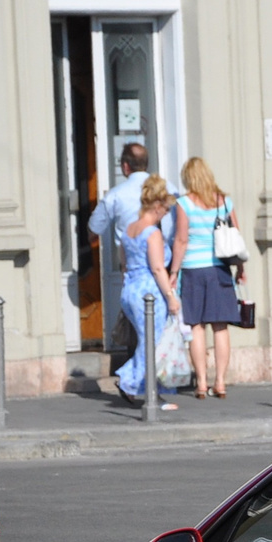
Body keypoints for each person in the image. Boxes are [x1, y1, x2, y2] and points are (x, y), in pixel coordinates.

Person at [87, 144, 174, 356]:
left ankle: (136, 373)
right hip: (163, 264)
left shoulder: (115, 195)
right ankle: (149, 375)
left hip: (132, 269)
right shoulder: (169, 189)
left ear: (125, 166)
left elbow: (93, 229)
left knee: (135, 324)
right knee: (160, 327)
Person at [170, 157, 243, 399]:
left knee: (196, 327)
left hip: (192, 269)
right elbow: (236, 236)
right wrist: (241, 268)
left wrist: (173, 272)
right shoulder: (223, 201)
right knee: (220, 327)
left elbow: (181, 240)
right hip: (219, 268)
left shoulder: (184, 203)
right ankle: (220, 381)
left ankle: (201, 382)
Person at [115, 175, 181, 410]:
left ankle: (152, 390)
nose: (165, 214)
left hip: (129, 291)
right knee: (153, 344)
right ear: (157, 206)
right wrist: (171, 297)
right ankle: (130, 381)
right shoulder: (152, 233)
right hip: (149, 294)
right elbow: (156, 267)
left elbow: (124, 264)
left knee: (148, 342)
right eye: (165, 210)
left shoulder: (128, 230)